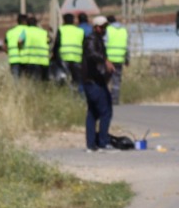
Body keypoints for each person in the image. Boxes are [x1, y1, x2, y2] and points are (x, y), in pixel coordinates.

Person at [82, 15, 115, 151]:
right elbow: (91, 54)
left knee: (93, 113)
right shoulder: (91, 39)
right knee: (105, 111)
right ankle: (102, 142)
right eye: (102, 27)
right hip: (93, 81)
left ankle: (92, 144)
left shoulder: (98, 39)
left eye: (105, 27)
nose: (104, 29)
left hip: (97, 81)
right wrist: (105, 60)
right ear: (96, 28)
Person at [55, 12, 85, 96]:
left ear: (64, 20)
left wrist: (55, 56)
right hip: (77, 57)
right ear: (73, 21)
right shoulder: (80, 31)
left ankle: (67, 94)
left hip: (64, 57)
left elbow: (57, 44)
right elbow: (84, 45)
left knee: (65, 77)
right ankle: (78, 95)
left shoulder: (61, 29)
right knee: (77, 79)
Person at [105, 14, 130, 104]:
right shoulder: (124, 30)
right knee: (117, 80)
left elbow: (104, 44)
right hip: (119, 58)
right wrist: (127, 59)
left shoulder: (107, 30)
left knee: (106, 80)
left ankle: (106, 98)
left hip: (109, 59)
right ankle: (115, 99)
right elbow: (127, 46)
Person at [20, 15, 51, 81]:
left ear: (27, 24)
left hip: (30, 61)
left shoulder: (25, 31)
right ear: (36, 24)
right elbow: (49, 41)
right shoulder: (44, 32)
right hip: (43, 60)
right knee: (43, 82)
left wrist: (20, 48)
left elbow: (19, 41)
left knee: (32, 81)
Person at [4, 14, 27, 79]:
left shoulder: (10, 32)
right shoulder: (28, 31)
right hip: (26, 59)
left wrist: (10, 53)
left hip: (13, 60)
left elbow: (4, 47)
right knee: (27, 81)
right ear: (25, 21)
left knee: (16, 81)